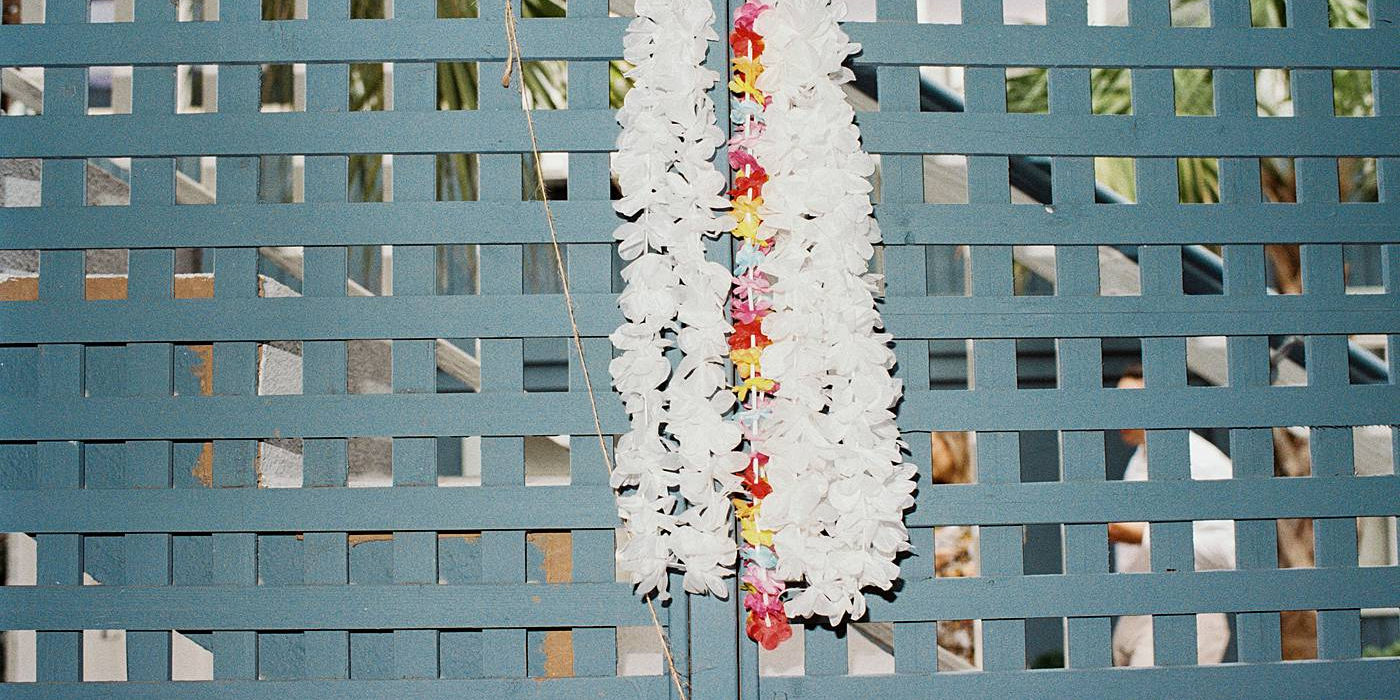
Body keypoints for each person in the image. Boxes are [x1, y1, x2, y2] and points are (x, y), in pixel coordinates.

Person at [1109, 364, 1236, 666]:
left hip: (1187, 613)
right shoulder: (1139, 458)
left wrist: (1141, 535)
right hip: (1137, 613)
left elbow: (1231, 550)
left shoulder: (1203, 463)